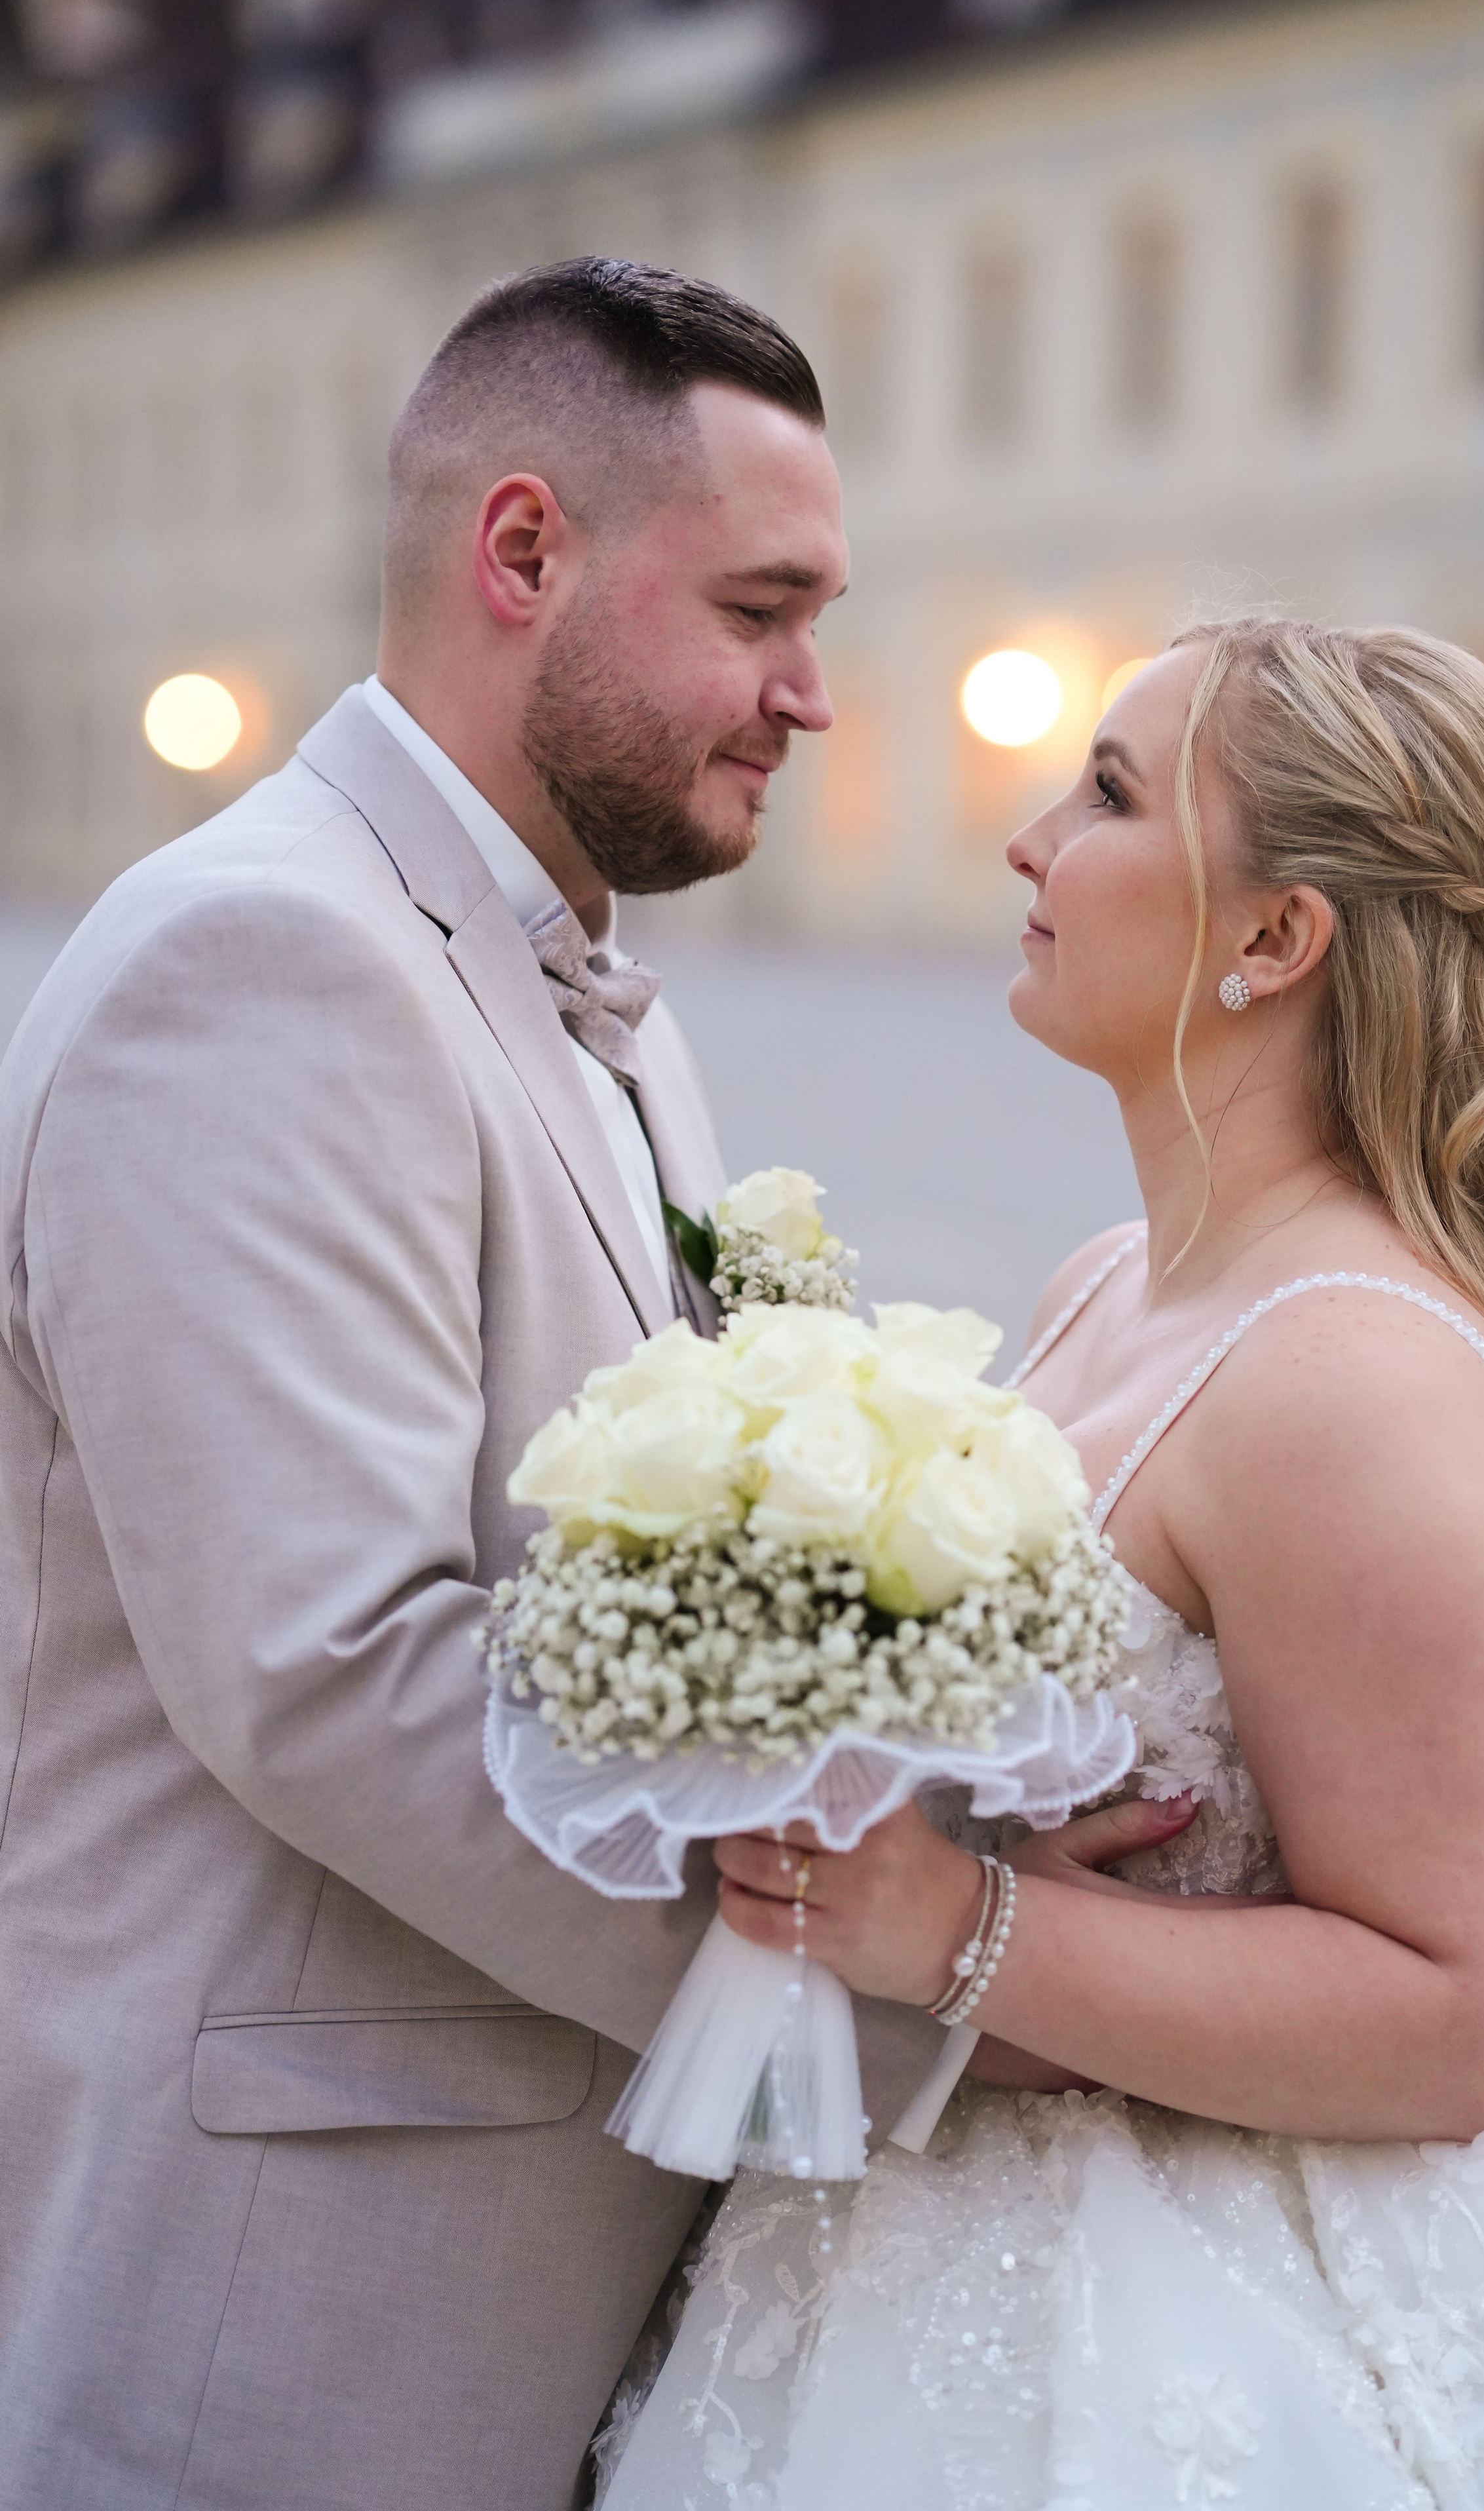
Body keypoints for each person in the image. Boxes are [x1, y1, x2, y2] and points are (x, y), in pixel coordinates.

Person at [0, 258, 949, 2511]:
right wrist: (866, 1979)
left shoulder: (589, 983)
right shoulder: (268, 963)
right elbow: (336, 1672)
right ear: (524, 552)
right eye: (761, 608)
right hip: (288, 2313)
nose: (814, 694)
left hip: (524, 2292)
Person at [599, 620, 1484, 2508]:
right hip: (933, 2240)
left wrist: (946, 1923)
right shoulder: (1103, 1278)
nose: (1027, 841)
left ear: (1277, 943)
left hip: (1205, 2330)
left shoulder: (1353, 1381)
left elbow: (1474, 2014)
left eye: (1104, 794)